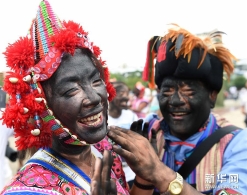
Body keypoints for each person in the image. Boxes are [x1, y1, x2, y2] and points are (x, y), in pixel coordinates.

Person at [0, 1, 153, 194]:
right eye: (71, 90)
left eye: (96, 81)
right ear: (43, 105)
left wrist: (144, 176)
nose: (94, 98)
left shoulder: (103, 148)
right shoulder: (25, 191)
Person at [107, 25, 247, 195]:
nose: (175, 101)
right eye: (167, 91)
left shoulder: (235, 143)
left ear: (212, 96)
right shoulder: (147, 133)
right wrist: (143, 178)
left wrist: (158, 173)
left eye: (188, 91)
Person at [108, 81, 138, 188]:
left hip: (132, 173)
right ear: (111, 96)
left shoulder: (131, 116)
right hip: (112, 176)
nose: (126, 97)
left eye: (127, 93)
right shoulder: (102, 118)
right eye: (121, 94)